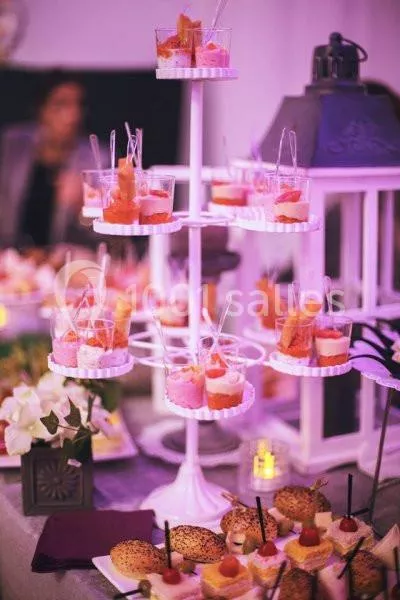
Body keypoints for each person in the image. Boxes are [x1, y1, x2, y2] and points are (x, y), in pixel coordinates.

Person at [0, 70, 99, 248]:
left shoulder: (95, 160)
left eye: (78, 105)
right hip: (11, 257)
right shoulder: (12, 147)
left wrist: (82, 206)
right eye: (61, 105)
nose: (73, 115)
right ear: (41, 110)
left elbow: (106, 236)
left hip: (63, 260)